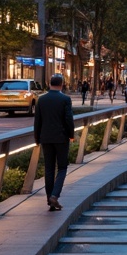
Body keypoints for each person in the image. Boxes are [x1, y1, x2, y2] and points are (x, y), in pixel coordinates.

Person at [34, 73, 74, 211]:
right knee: (62, 167)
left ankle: (49, 198)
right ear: (62, 84)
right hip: (61, 138)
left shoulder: (41, 99)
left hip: (45, 138)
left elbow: (37, 121)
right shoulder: (65, 99)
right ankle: (55, 196)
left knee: (49, 168)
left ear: (49, 84)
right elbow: (68, 119)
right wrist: (71, 135)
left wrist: (37, 138)